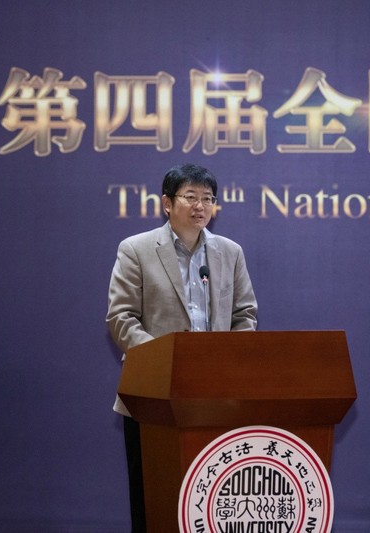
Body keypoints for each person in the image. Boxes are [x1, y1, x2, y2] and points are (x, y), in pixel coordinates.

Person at [106, 163, 258, 532]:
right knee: (154, 496)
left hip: (215, 395)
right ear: (167, 203)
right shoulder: (137, 249)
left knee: (212, 497)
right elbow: (121, 317)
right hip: (153, 394)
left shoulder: (230, 252)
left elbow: (245, 314)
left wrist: (229, 361)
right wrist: (164, 361)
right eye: (190, 197)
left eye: (207, 198)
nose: (200, 206)